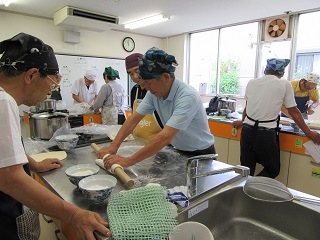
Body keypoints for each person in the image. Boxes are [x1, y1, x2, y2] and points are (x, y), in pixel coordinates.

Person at [0, 33, 111, 240]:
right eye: (51, 82)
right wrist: (75, 214)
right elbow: (11, 180)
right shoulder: (3, 102)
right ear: (31, 75)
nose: (51, 90)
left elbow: (4, 154)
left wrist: (33, 164)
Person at [97, 47, 216, 168]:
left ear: (166, 77)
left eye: (149, 83)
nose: (146, 88)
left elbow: (165, 136)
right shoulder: (154, 93)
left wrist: (128, 161)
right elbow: (133, 119)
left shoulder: (187, 96)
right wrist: (113, 147)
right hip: (179, 149)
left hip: (201, 155)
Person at [232, 58, 320, 178]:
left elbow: (248, 107)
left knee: (246, 168)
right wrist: (309, 133)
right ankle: (253, 188)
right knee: (273, 169)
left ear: (265, 70)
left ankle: (244, 191)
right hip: (265, 133)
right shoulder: (284, 84)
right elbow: (293, 111)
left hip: (247, 130)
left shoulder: (252, 82)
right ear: (282, 73)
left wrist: (242, 121)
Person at [125, 53, 163, 139]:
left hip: (157, 143)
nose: (135, 76)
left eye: (137, 71)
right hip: (138, 141)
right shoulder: (134, 90)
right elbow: (133, 118)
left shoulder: (156, 91)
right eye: (131, 74)